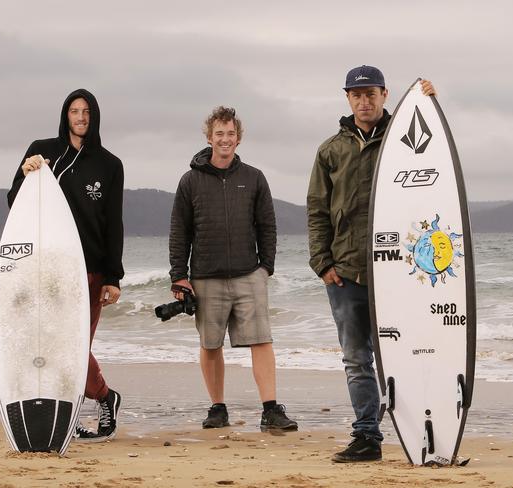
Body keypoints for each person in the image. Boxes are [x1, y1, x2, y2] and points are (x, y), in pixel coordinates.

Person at [306, 66, 436, 462]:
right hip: (344, 274)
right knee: (356, 359)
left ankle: (426, 431)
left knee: (409, 354)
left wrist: (428, 104)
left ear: (385, 95)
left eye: (372, 93)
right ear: (348, 98)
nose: (364, 101)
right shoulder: (331, 149)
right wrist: (321, 262)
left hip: (397, 273)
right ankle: (367, 437)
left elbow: (437, 170)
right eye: (357, 94)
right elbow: (317, 210)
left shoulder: (406, 142)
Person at [168, 106, 298, 431]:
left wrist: (265, 267)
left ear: (238, 138)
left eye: (230, 134)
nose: (225, 139)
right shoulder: (190, 181)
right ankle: (217, 408)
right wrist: (179, 276)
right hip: (205, 276)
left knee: (262, 340)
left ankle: (271, 410)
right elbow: (179, 231)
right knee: (210, 345)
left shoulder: (254, 178)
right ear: (209, 137)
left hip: (248, 274)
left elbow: (267, 224)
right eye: (219, 134)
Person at [7, 88, 124, 443]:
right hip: (45, 267)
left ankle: (103, 398)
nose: (81, 117)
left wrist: (113, 276)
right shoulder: (42, 152)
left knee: (73, 348)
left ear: (95, 116)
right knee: (51, 345)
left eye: (86, 111)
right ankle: (87, 405)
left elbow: (113, 223)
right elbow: (15, 200)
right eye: (75, 111)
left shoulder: (109, 164)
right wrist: (27, 173)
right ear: (65, 115)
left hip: (88, 270)